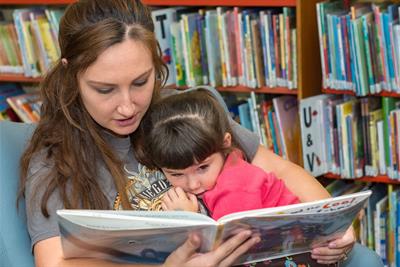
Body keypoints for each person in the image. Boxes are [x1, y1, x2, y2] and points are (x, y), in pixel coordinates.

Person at [16, 0, 382, 266]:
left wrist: (331, 226)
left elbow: (280, 170)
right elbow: (56, 262)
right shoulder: (55, 158)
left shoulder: (188, 112)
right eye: (105, 89)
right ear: (70, 72)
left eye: (140, 82)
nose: (127, 106)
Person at [133, 89, 300, 220]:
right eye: (176, 174)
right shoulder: (228, 160)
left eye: (203, 167)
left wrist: (191, 218)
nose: (193, 185)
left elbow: (228, 248)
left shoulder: (234, 188)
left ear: (225, 142)